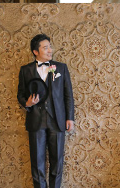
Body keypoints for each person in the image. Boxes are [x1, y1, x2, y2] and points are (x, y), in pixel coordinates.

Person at [17, 34, 75, 188]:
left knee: (57, 163)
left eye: (50, 46)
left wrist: (70, 118)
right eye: (45, 47)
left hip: (57, 120)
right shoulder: (26, 70)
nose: (50, 50)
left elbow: (68, 94)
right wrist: (27, 103)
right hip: (36, 120)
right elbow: (20, 95)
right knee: (37, 164)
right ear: (36, 51)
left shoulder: (61, 68)